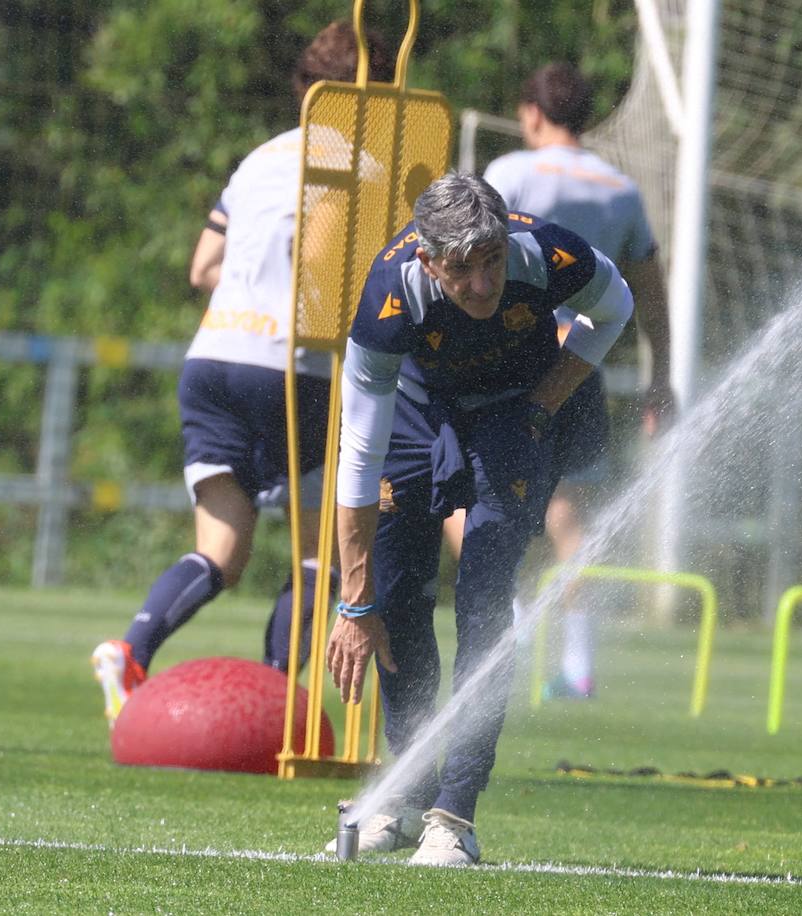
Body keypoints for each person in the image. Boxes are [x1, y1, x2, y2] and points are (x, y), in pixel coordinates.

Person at [324, 173, 633, 865]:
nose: (481, 284)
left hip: (513, 407)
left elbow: (616, 306)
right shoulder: (387, 299)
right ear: (427, 263)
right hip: (414, 407)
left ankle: (453, 815)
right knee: (396, 597)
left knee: (486, 597)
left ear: (506, 242)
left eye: (490, 260)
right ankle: (405, 799)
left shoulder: (550, 255)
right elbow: (360, 452)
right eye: (459, 269)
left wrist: (543, 404)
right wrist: (353, 594)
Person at [89, 21, 391, 728]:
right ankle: (277, 696)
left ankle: (129, 650)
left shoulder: (260, 159)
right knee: (319, 550)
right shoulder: (369, 171)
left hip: (215, 356)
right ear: (371, 96)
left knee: (219, 552)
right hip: (297, 367)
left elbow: (202, 267)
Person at [465, 62, 674, 699]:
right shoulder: (620, 191)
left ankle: (506, 625)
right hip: (582, 365)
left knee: (465, 496)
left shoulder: (510, 175)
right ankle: (578, 667)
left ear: (531, 112)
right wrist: (659, 378)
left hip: (512, 358)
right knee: (568, 518)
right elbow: (649, 296)